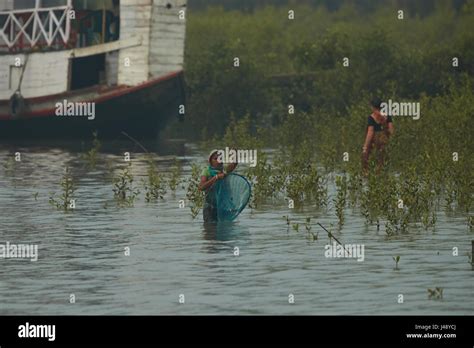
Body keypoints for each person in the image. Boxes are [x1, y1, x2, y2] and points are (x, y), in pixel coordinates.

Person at [199, 150, 237, 222]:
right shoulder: (206, 171)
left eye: (220, 159)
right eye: (215, 159)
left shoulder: (224, 171)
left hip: (223, 207)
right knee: (210, 230)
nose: (218, 161)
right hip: (210, 207)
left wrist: (234, 153)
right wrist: (215, 178)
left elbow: (234, 164)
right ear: (210, 161)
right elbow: (201, 187)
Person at [362, 98, 394, 174]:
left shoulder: (372, 117)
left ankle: (368, 177)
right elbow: (391, 130)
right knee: (382, 161)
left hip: (375, 141)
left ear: (373, 107)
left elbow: (370, 132)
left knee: (366, 161)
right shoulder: (387, 116)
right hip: (385, 140)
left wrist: (365, 146)